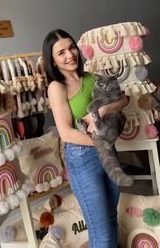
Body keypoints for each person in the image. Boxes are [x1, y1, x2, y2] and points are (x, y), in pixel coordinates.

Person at [42, 29, 128, 248]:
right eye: (61, 53)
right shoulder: (56, 87)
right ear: (52, 60)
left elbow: (124, 100)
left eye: (71, 48)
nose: (70, 55)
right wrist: (103, 144)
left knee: (110, 219)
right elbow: (66, 133)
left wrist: (105, 108)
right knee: (102, 233)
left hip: (109, 154)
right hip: (83, 159)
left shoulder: (91, 77)